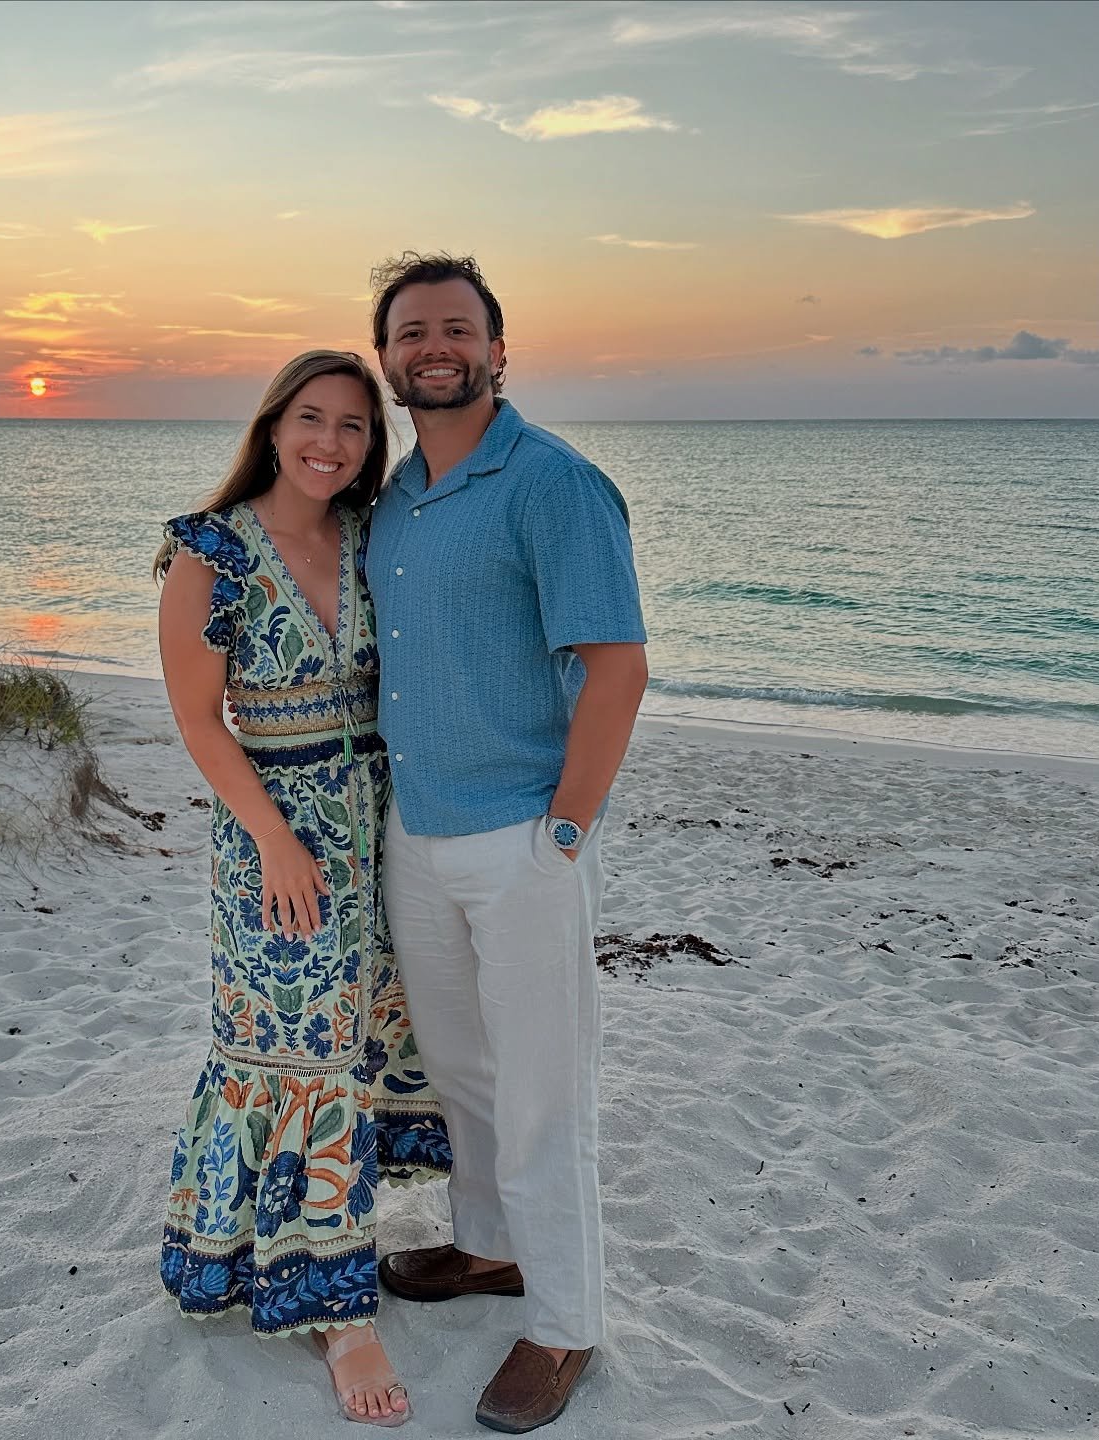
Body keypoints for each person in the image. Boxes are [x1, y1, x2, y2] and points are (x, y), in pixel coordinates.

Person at [364, 254, 649, 1434]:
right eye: (410, 332)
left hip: (523, 838)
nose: (433, 347)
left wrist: (566, 831)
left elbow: (617, 667)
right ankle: (489, 1251)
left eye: (455, 329)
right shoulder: (390, 496)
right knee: (465, 1073)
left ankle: (567, 1323)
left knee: (543, 1093)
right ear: (385, 358)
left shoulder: (553, 483)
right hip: (414, 834)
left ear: (496, 349)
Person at [154, 349, 452, 1427]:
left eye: (356, 427)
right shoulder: (214, 553)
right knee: (295, 1052)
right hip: (274, 835)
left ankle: (295, 1245)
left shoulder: (377, 538)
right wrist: (279, 842)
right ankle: (338, 1311)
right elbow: (199, 719)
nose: (331, 442)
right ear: (273, 425)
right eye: (312, 419)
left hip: (385, 822)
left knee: (358, 1040)